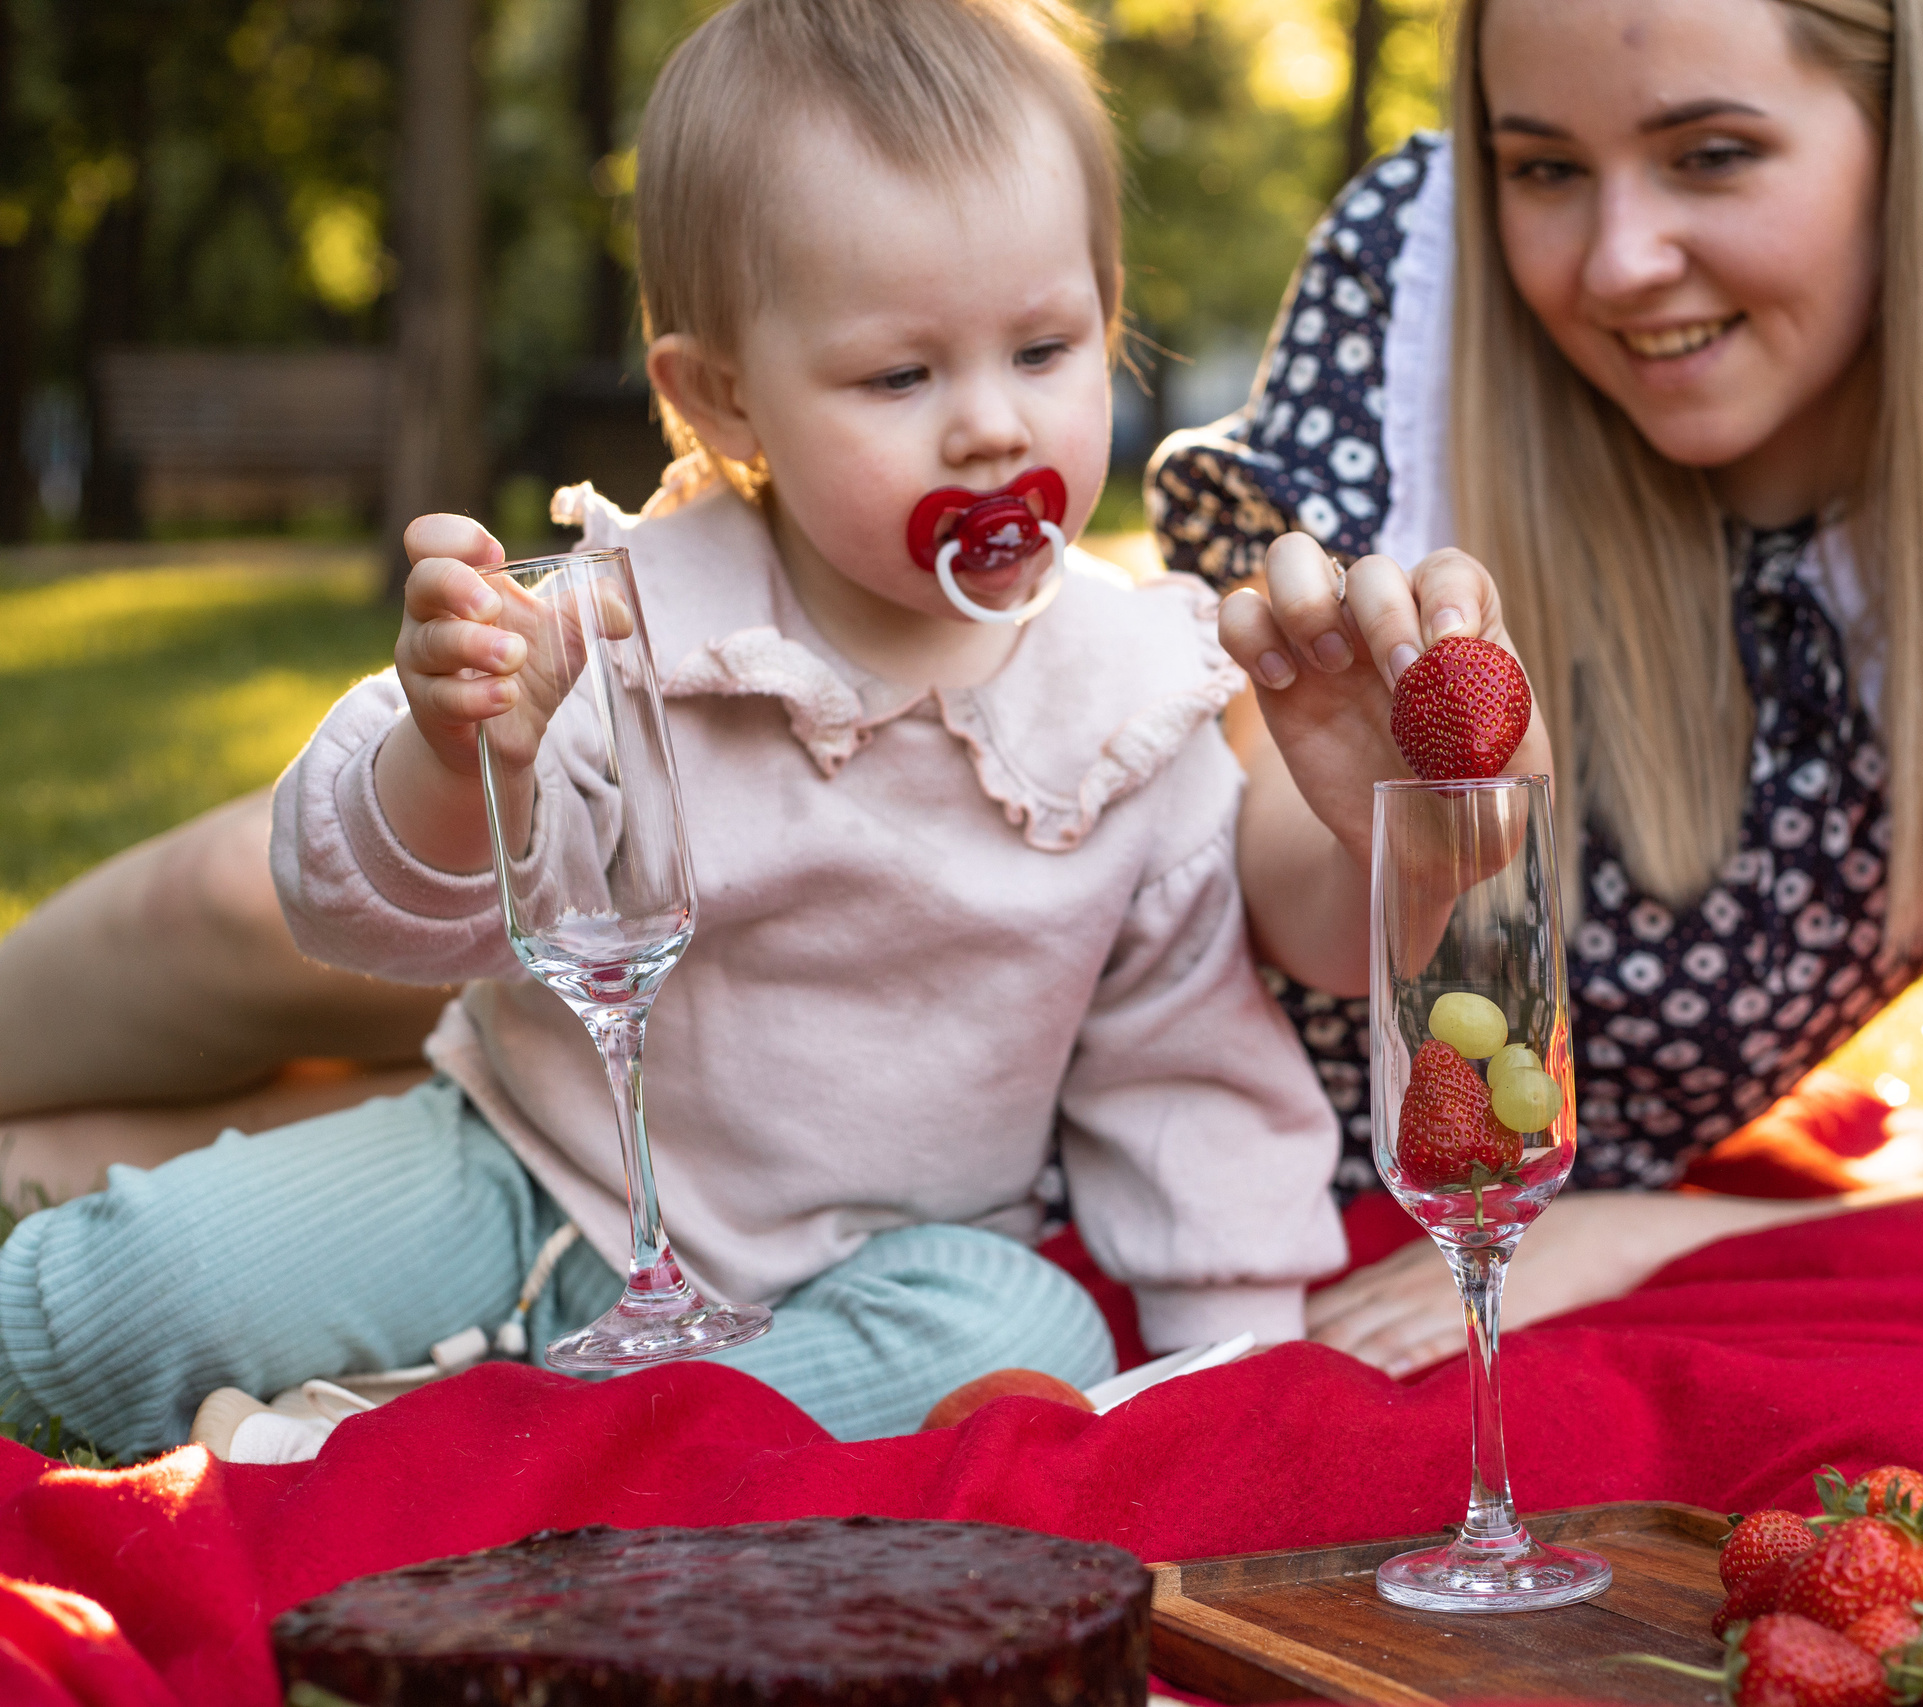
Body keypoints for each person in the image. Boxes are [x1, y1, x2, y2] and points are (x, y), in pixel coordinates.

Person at [0, 0, 1344, 1462]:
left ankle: (446, 1457)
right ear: (725, 397)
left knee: (1026, 1339)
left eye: (1042, 349)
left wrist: (1235, 1350)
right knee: (142, 1287)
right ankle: (419, 1421)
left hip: (867, 1272)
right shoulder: (631, 618)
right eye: (901, 376)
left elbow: (1184, 1053)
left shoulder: (1136, 696)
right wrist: (458, 762)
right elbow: (365, 909)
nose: (990, 430)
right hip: (524, 1172)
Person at [1151, 0, 1923, 1377]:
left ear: (1913, 152)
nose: (1621, 261)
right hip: (1134, 1180)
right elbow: (1271, 912)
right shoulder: (1422, 299)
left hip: (1463, 1290)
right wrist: (1434, 846)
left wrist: (1666, 1235)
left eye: (1710, 154)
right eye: (1544, 168)